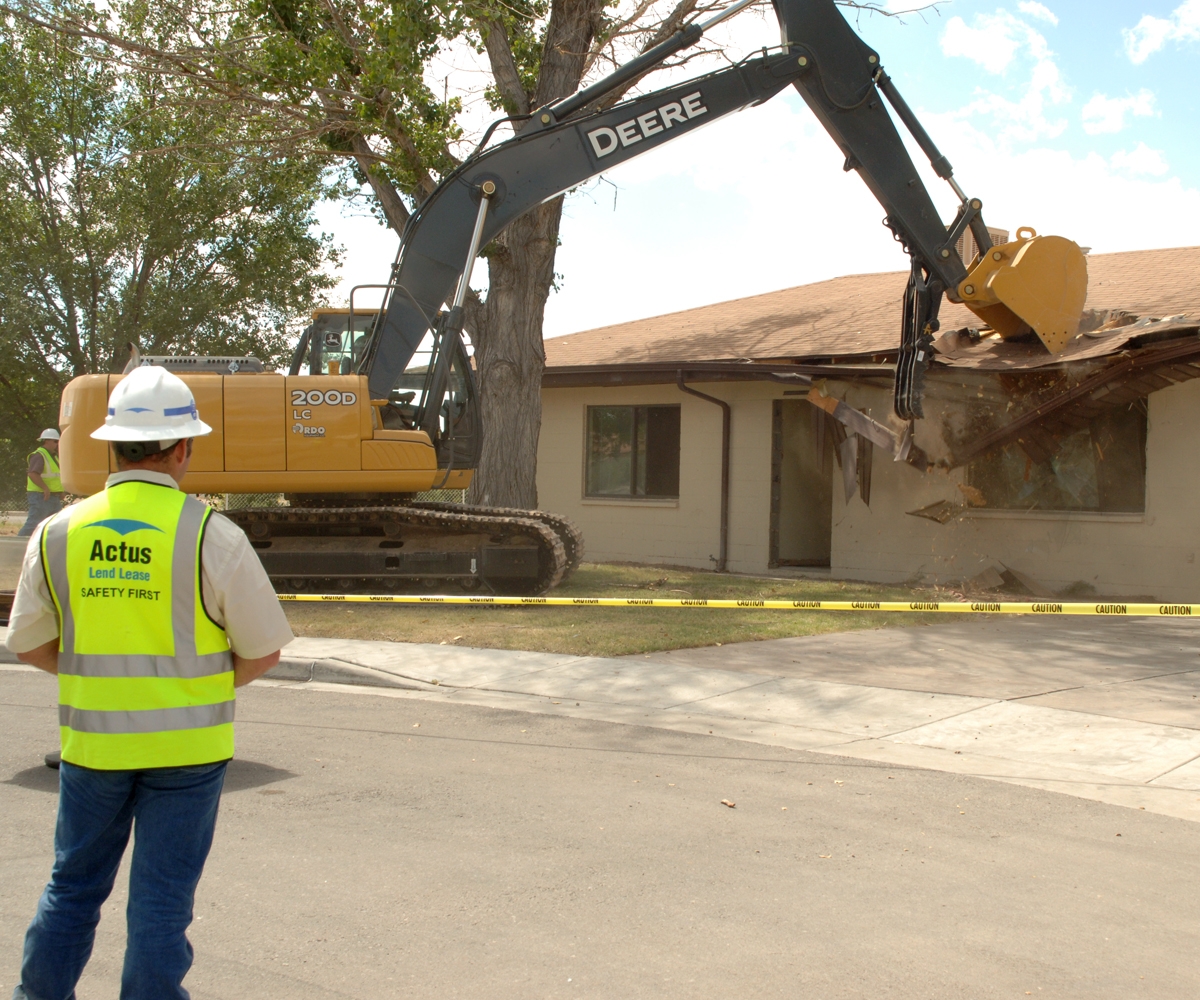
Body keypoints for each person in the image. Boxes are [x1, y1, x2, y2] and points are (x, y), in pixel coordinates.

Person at [6, 365, 295, 1000]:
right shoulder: (210, 536)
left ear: (110, 444)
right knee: (161, 903)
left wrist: (96, 679)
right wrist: (196, 686)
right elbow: (263, 652)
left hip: (93, 750)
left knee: (72, 886)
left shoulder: (58, 533)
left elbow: (27, 643)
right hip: (187, 754)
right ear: (184, 447)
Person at [18, 429, 64, 537]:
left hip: (52, 497)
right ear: (47, 441)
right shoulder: (39, 455)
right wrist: (45, 488)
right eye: (55, 441)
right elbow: (33, 474)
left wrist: (60, 491)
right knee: (33, 525)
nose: (57, 444)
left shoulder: (53, 456)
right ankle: (16, 549)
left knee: (56, 526)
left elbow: (56, 476)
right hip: (41, 496)